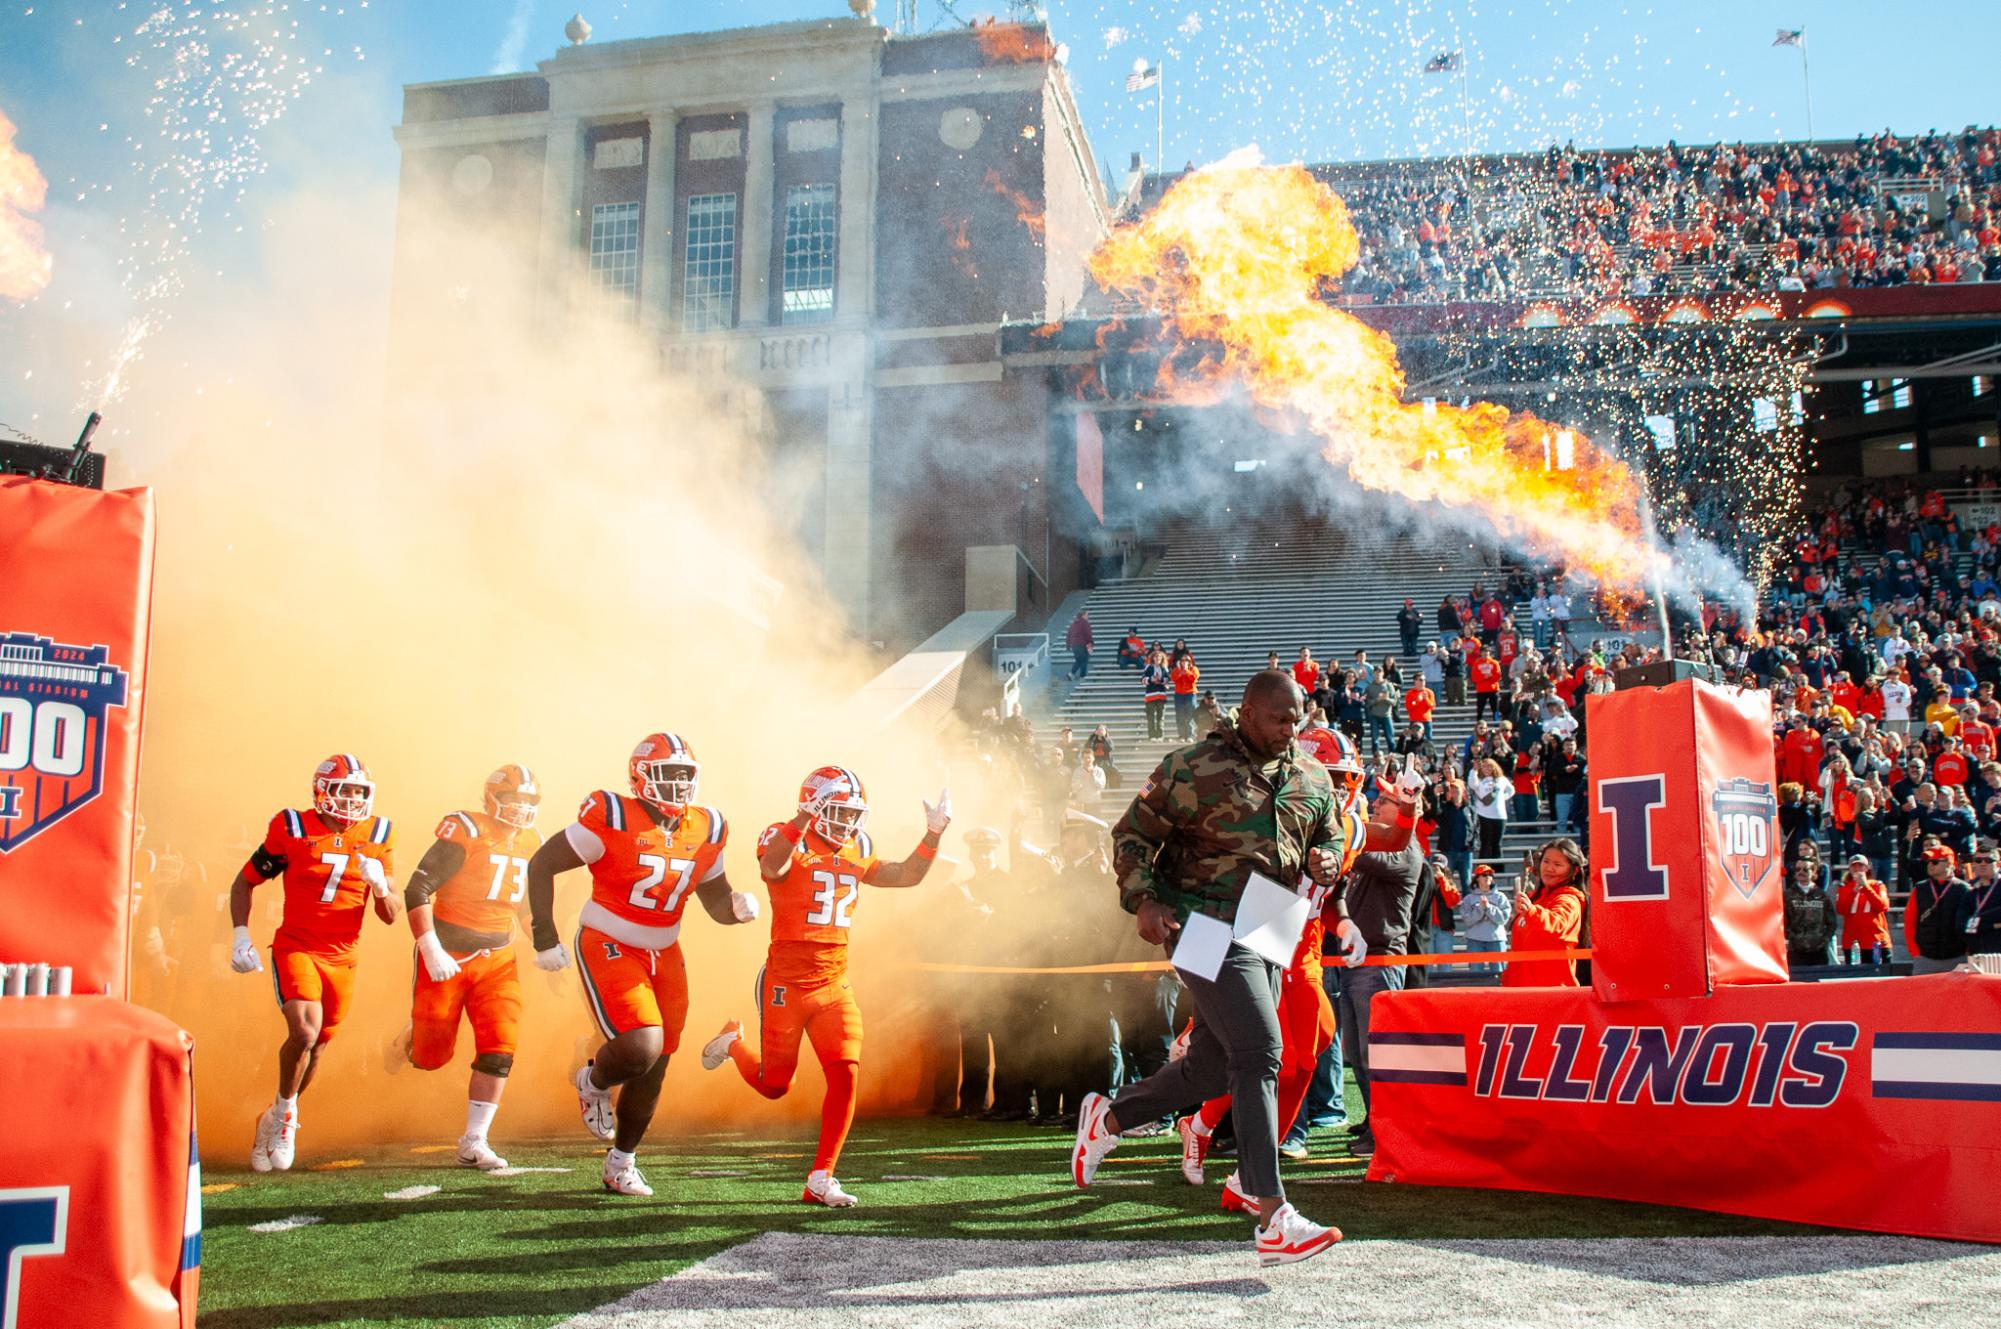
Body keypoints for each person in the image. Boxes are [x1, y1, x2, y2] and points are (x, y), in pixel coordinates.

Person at [1069, 671, 1383, 1267]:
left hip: (1272, 920)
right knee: (1262, 1049)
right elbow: (1131, 834)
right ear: (1246, 713)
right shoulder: (1192, 765)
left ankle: (1109, 1117)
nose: (1290, 730)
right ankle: (1273, 1216)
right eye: (1279, 719)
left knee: (1214, 1066)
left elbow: (1329, 837)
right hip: (1200, 921)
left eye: (1297, 719)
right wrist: (1145, 899)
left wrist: (1326, 857)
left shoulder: (1311, 773)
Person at [702, 768, 951, 1207]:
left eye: (852, 813)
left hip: (834, 982)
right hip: (786, 983)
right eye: (835, 811)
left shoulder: (858, 846)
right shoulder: (784, 836)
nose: (846, 822)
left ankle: (822, 1177)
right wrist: (800, 820)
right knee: (776, 1085)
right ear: (813, 807)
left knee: (845, 1072)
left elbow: (905, 875)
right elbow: (771, 866)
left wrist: (932, 834)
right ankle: (732, 1044)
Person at [524, 733, 759, 1197]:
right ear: (640, 776)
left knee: (658, 1062)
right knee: (642, 1046)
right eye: (667, 774)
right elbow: (541, 864)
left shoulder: (708, 827)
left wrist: (736, 907)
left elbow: (714, 901)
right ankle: (590, 1080)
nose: (678, 784)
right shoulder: (610, 815)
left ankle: (621, 1163)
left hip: (665, 950)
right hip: (609, 939)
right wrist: (544, 935)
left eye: (685, 775)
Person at [1175, 730, 1421, 1172]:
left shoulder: (1345, 824)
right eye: (1330, 779)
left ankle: (1209, 1127)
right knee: (1285, 1060)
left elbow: (1392, 842)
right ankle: (1249, 1166)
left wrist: (1407, 806)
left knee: (1316, 1043)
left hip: (1301, 935)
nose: (1341, 790)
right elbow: (1217, 886)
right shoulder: (1269, 817)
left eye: (1346, 779)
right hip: (1265, 926)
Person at [228, 754, 399, 1172]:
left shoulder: (378, 832)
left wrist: (380, 886)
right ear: (322, 791)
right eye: (346, 790)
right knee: (303, 1031)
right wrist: (240, 934)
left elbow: (392, 914)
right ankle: (287, 1119)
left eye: (361, 792)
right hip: (298, 946)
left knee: (318, 1047)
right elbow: (244, 881)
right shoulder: (292, 826)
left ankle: (272, 1115)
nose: (354, 800)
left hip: (344, 956)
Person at [389, 765, 543, 1170]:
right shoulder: (466, 829)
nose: (520, 810)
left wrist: (546, 945)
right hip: (448, 954)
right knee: (431, 1057)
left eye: (528, 802)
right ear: (492, 799)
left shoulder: (532, 840)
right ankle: (413, 1036)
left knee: (501, 1046)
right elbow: (417, 888)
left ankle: (474, 1140)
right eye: (513, 800)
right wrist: (430, 947)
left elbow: (525, 905)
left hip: (499, 959)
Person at [1502, 838, 1587, 987]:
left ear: (1574, 871)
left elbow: (1558, 924)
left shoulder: (1570, 899)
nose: (1549, 868)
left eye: (1558, 864)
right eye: (1546, 861)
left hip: (1551, 997)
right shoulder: (1536, 898)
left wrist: (1531, 911)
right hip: (1522, 993)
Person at [1905, 844, 1973, 975]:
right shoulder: (1919, 889)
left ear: (1949, 863)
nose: (1930, 865)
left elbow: (1969, 924)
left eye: (1935, 862)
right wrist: (1915, 953)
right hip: (1925, 958)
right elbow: (1909, 922)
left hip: (1957, 958)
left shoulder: (1964, 889)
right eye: (1928, 862)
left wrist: (1966, 952)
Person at [1455, 863, 1512, 975]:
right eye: (1484, 875)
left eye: (1490, 875)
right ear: (1477, 879)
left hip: (1496, 939)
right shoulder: (1468, 899)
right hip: (1475, 939)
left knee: (1500, 973)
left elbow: (1503, 919)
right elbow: (1468, 921)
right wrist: (1480, 909)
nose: (1488, 877)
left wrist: (1489, 908)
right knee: (1475, 974)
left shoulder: (1500, 897)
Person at [1835, 854, 1891, 966]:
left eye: (1861, 866)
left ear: (1867, 867)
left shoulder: (1877, 885)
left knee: (1880, 976)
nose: (1857, 869)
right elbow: (1841, 909)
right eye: (1854, 866)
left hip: (1876, 941)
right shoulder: (1843, 887)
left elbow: (1883, 906)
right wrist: (1854, 891)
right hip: (1853, 943)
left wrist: (1866, 887)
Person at [1782, 858, 1837, 970]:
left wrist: (1824, 940)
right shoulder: (1787, 895)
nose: (1800, 872)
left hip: (1818, 952)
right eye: (1797, 869)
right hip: (1795, 952)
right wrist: (1793, 938)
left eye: (1805, 869)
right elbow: (1782, 921)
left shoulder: (1822, 896)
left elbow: (1832, 922)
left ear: (1813, 872)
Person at [1467, 758, 1510, 863]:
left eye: (1489, 766)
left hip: (1499, 816)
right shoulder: (1479, 780)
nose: (1487, 768)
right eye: (1484, 766)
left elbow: (1511, 790)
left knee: (1497, 843)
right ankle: (1483, 868)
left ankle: (1498, 868)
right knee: (1485, 843)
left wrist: (1502, 798)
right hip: (1483, 815)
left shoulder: (1501, 779)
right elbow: (1472, 784)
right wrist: (1474, 770)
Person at [1171, 651, 1202, 740]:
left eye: (1187, 660)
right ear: (1180, 661)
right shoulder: (1176, 670)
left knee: (1191, 714)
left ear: (1190, 661)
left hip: (1190, 693)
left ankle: (1190, 735)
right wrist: (1180, 672)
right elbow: (1174, 679)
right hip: (1179, 694)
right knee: (1180, 715)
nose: (1185, 661)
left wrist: (1187, 671)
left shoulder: (1194, 669)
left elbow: (1194, 679)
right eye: (1183, 660)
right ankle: (1182, 735)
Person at [1141, 649, 1171, 740]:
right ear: (1153, 658)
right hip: (1150, 695)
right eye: (1156, 657)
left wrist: (1161, 680)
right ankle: (1152, 736)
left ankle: (1160, 735)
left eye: (1159, 657)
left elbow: (1167, 679)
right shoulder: (1149, 667)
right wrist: (1151, 680)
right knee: (1150, 717)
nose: (1157, 658)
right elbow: (1142, 680)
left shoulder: (1164, 668)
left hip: (1161, 695)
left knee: (1160, 717)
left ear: (1162, 658)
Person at [1066, 611, 1094, 680]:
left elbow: (1068, 635)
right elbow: (1088, 634)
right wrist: (1091, 642)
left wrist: (1068, 645)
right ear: (1083, 615)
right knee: (1084, 660)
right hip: (1081, 644)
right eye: (1087, 615)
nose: (1088, 617)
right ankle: (1083, 676)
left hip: (1073, 645)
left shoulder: (1073, 624)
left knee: (1078, 660)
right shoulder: (1084, 622)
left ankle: (1071, 674)